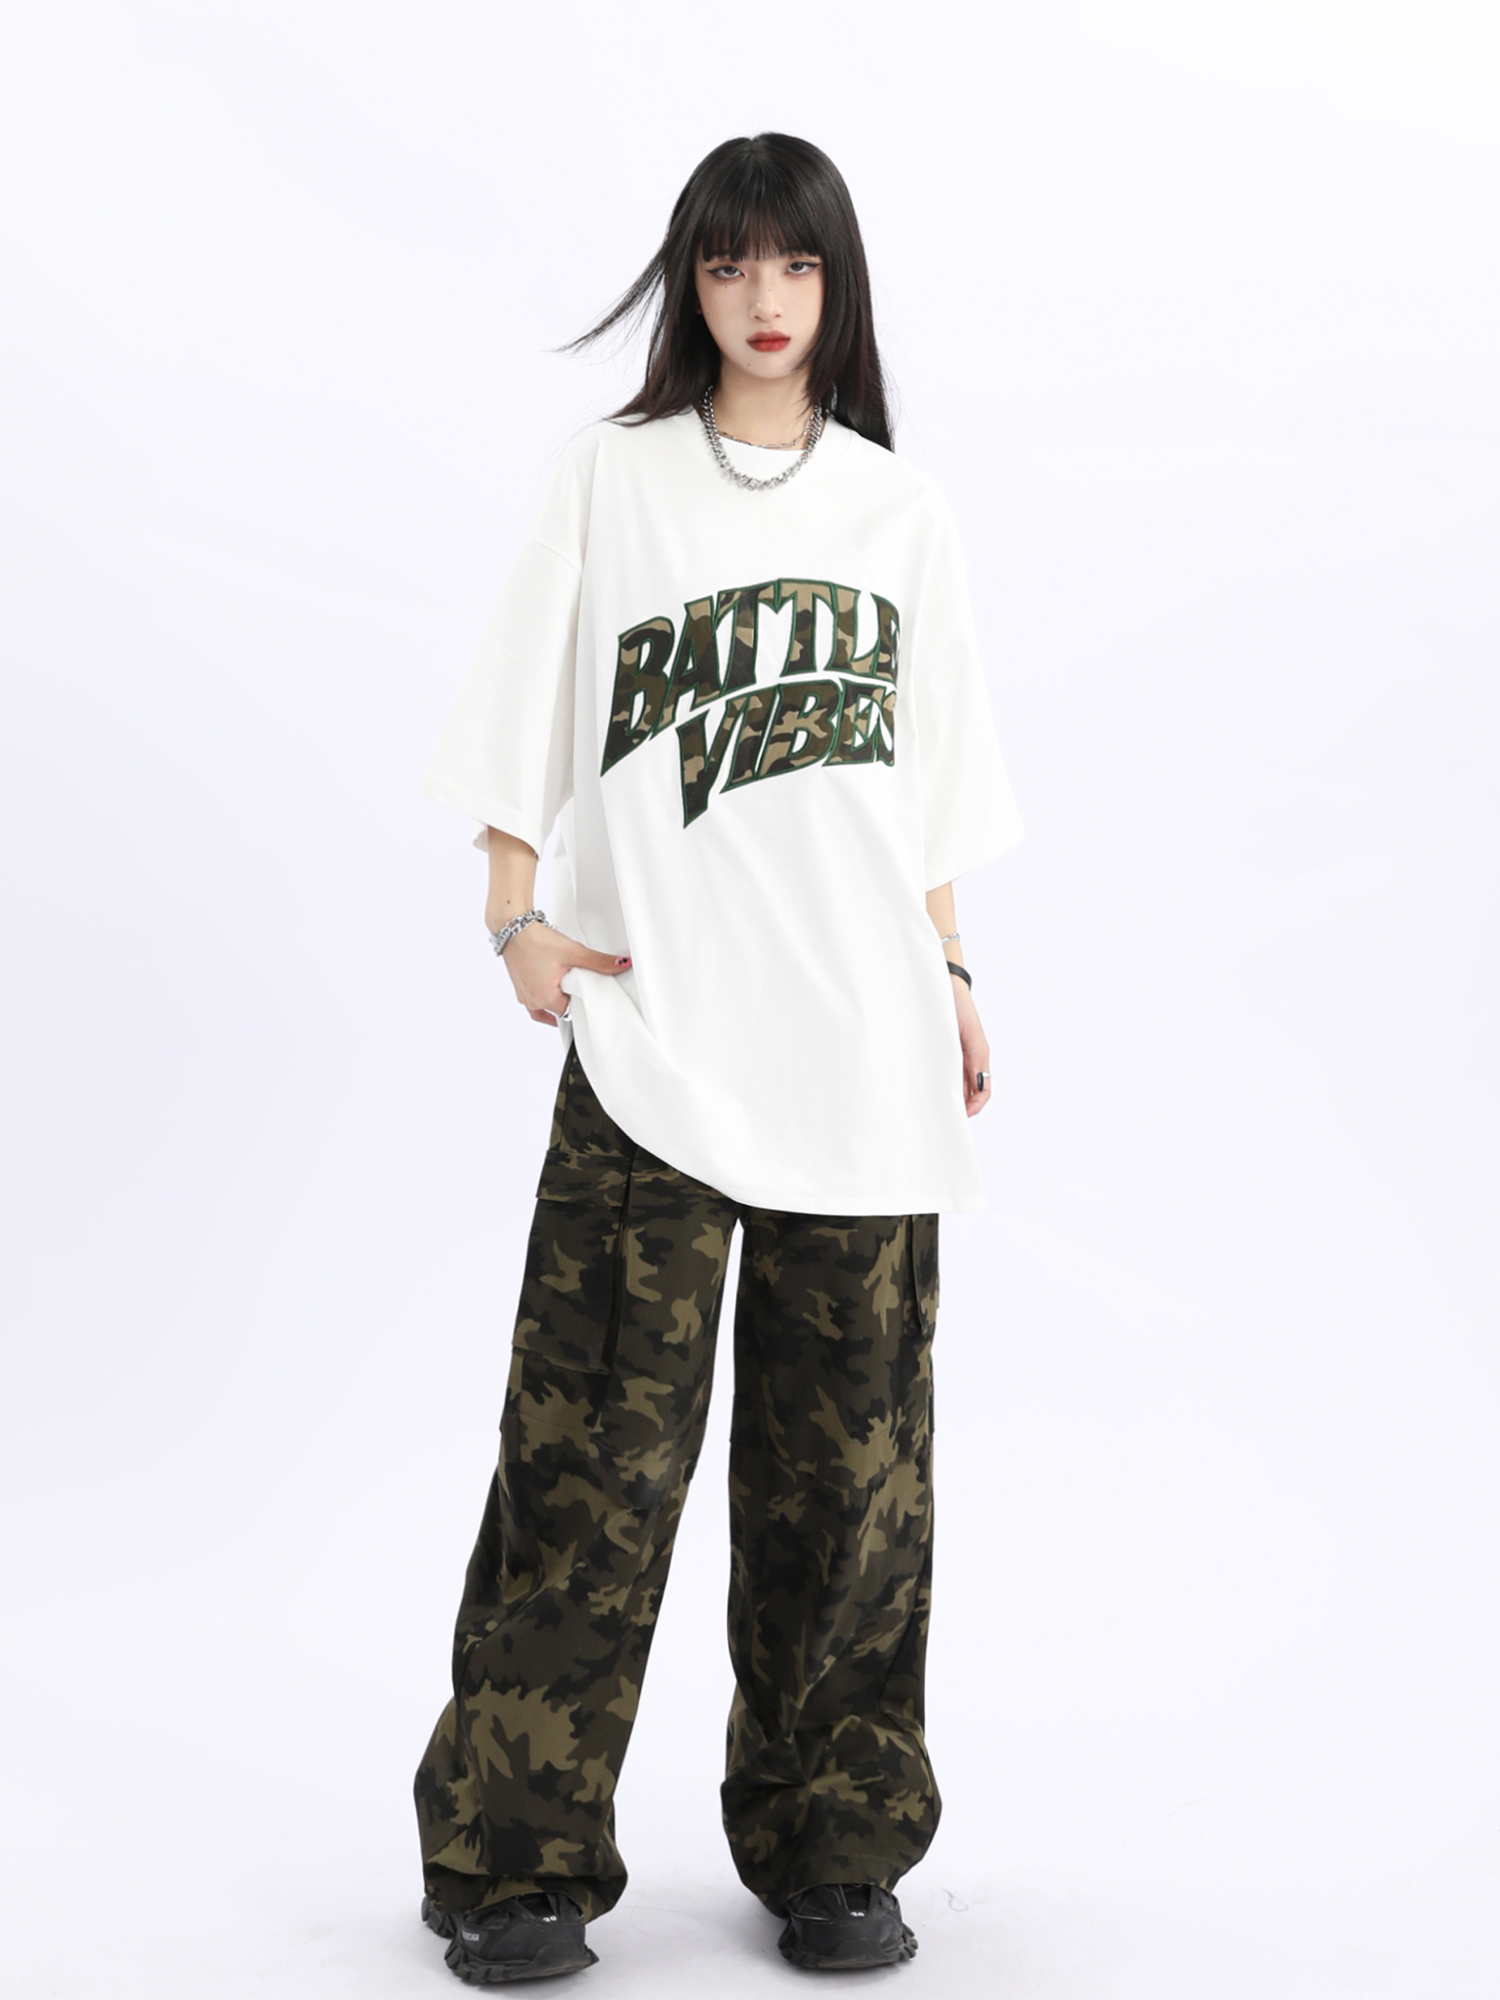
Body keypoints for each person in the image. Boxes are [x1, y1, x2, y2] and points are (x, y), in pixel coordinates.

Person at [412, 132, 1023, 1984]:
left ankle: (837, 1847)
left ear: (839, 289)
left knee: (854, 1491)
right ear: (691, 283)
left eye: (797, 266)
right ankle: (512, 1860)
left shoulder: (900, 515)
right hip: (656, 1049)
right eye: (731, 264)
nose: (765, 300)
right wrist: (515, 918)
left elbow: (922, 790)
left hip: (862, 1054)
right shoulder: (614, 482)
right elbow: (519, 711)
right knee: (586, 1471)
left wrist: (951, 968)